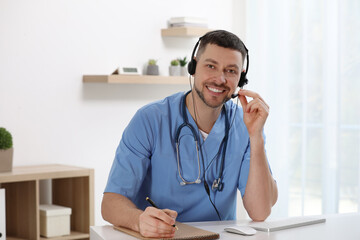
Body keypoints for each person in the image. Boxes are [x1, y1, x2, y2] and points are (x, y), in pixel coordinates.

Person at [101, 30, 278, 238]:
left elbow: (260, 212)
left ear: (241, 78)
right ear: (193, 67)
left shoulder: (246, 125)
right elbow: (110, 203)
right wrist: (138, 221)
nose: (220, 79)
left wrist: (256, 137)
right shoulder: (150, 119)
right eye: (210, 66)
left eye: (231, 71)